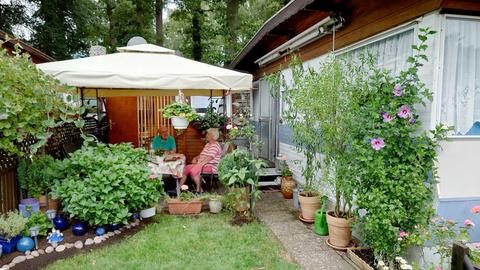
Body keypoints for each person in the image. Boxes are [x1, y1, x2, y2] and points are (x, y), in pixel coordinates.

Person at [179, 128, 222, 194]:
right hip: (202, 164)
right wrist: (195, 158)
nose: (206, 135)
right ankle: (179, 188)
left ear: (213, 136)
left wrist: (199, 165)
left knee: (194, 170)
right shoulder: (208, 144)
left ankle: (198, 190)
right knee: (186, 168)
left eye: (208, 134)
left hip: (210, 166)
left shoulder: (215, 145)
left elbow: (209, 157)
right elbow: (201, 155)